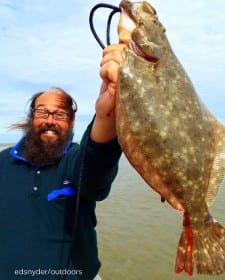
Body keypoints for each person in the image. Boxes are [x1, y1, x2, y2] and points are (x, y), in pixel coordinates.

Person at [0, 43, 125, 280]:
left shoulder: (75, 159)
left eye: (59, 114)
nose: (50, 120)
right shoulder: (3, 163)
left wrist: (106, 112)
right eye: (42, 112)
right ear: (32, 116)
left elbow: (95, 172)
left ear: (72, 121)